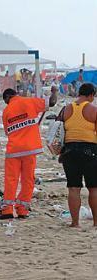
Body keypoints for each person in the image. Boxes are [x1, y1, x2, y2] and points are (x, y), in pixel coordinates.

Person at [0, 88, 57, 219]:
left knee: (11, 179)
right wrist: (54, 91)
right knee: (28, 179)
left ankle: (7, 209)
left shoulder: (6, 111)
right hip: (30, 149)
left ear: (8, 97)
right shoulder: (30, 102)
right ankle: (23, 209)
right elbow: (51, 102)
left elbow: (8, 132)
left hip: (14, 150)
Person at [60, 83, 97, 227]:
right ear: (91, 95)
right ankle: (95, 223)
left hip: (69, 150)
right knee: (93, 188)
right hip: (90, 150)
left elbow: (59, 131)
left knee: (73, 188)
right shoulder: (93, 110)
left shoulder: (66, 109)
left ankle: (75, 223)